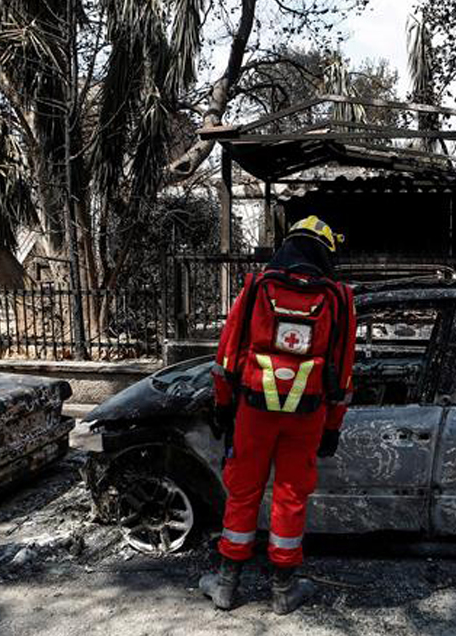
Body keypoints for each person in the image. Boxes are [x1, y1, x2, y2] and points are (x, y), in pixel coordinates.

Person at [199, 216, 357, 614]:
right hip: (308, 414)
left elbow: (226, 357)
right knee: (291, 493)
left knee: (244, 489)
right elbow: (344, 371)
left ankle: (226, 585)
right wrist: (333, 427)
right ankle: (283, 591)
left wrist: (222, 405)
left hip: (254, 411)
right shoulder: (338, 297)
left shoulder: (256, 286)